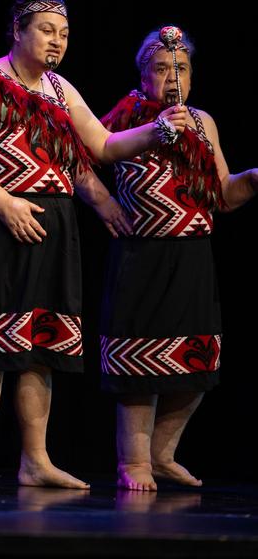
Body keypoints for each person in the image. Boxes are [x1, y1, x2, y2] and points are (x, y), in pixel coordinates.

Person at [0, 0, 186, 488]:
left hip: (52, 225)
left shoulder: (59, 88)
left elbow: (101, 145)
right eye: (47, 30)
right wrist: (3, 203)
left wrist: (156, 131)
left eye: (65, 34)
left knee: (41, 346)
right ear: (18, 30)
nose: (58, 41)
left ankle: (35, 460)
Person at [99, 28, 258, 491]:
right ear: (144, 74)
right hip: (141, 253)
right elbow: (81, 159)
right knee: (139, 365)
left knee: (197, 362)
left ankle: (161, 455)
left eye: (182, 68)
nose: (173, 79)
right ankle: (133, 462)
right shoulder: (125, 115)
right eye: (162, 68)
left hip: (192, 254)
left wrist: (251, 178)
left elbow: (223, 195)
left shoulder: (204, 123)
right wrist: (103, 203)